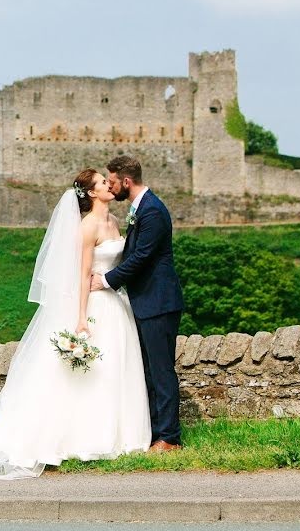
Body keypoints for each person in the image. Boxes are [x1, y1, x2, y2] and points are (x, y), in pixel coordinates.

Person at [0, 168, 150, 483]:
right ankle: (88, 439)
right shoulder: (88, 226)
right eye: (104, 182)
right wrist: (80, 318)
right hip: (93, 307)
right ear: (91, 193)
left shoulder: (115, 222)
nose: (110, 184)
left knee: (116, 368)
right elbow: (81, 274)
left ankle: (121, 438)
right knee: (90, 375)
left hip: (116, 304)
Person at [90, 155, 184, 453]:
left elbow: (142, 257)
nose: (111, 186)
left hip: (158, 301)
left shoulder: (152, 211)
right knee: (149, 371)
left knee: (161, 370)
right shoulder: (141, 208)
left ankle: (169, 438)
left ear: (126, 182)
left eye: (113, 181)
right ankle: (157, 433)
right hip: (146, 301)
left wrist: (105, 281)